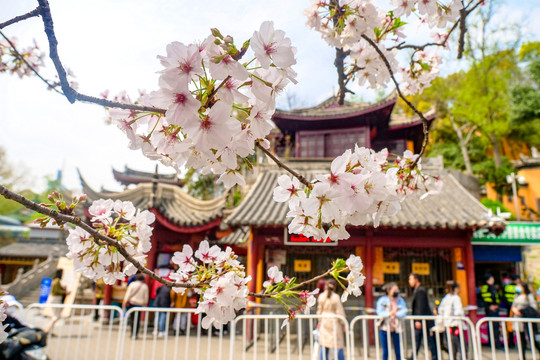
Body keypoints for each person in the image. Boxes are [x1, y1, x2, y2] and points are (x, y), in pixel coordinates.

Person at [408, 273, 438, 360]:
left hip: (423, 321)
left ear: (416, 280)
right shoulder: (418, 290)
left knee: (429, 341)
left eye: (411, 279)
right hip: (422, 320)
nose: (409, 281)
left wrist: (418, 320)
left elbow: (421, 307)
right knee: (419, 340)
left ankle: (435, 357)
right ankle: (413, 357)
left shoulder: (420, 290)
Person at [376, 282, 407, 360]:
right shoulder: (382, 300)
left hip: (396, 328)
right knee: (385, 351)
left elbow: (404, 311)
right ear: (388, 291)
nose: (397, 291)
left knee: (398, 351)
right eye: (395, 289)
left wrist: (396, 314)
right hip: (384, 328)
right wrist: (389, 314)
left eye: (397, 289)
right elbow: (380, 312)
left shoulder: (400, 300)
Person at [317, 278, 346, 360]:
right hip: (334, 322)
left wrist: (320, 321)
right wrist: (343, 323)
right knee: (338, 344)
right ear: (335, 286)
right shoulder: (336, 297)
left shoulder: (321, 296)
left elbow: (319, 311)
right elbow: (339, 312)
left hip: (324, 321)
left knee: (324, 344)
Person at [511, 283, 540, 360]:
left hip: (527, 320)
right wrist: (514, 309)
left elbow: (534, 308)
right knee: (520, 340)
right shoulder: (516, 295)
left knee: (532, 339)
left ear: (523, 287)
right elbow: (513, 305)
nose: (517, 287)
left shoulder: (529, 296)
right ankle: (522, 356)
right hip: (518, 321)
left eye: (519, 286)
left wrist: (522, 311)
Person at [438, 281, 465, 360]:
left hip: (448, 324)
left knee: (452, 346)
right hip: (455, 324)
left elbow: (441, 310)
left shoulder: (446, 298)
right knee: (461, 346)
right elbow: (458, 311)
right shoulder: (455, 298)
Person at [122, 273, 149, 339]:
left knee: (132, 319)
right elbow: (146, 297)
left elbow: (128, 294)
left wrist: (125, 301)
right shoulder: (145, 286)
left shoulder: (132, 284)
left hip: (132, 303)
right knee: (137, 319)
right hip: (140, 304)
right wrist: (145, 304)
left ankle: (132, 333)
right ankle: (136, 334)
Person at [480, 274, 502, 348]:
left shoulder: (489, 287)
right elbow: (487, 298)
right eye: (492, 278)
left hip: (492, 308)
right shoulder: (487, 287)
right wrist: (492, 305)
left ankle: (494, 343)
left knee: (494, 327)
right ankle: (495, 343)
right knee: (494, 327)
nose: (493, 279)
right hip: (491, 309)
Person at [45, 269, 69, 334]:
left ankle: (50, 330)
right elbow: (56, 291)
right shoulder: (57, 281)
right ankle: (47, 329)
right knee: (56, 316)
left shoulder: (55, 280)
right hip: (56, 299)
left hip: (54, 298)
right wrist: (65, 292)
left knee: (55, 315)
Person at [503, 274, 520, 348]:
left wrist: (509, 305)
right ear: (517, 280)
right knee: (519, 326)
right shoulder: (518, 287)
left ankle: (511, 343)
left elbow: (503, 297)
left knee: (510, 326)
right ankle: (520, 343)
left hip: (509, 309)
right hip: (517, 309)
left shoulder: (506, 287)